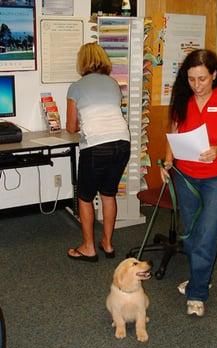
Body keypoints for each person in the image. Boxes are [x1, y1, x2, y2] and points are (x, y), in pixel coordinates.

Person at [160, 49, 217, 316]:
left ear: (213, 75)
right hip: (185, 174)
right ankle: (200, 274)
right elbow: (174, 134)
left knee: (208, 232)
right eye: (191, 79)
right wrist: (167, 162)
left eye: (202, 79)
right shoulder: (183, 99)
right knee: (190, 234)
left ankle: (198, 291)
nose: (197, 86)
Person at [66, 42, 130, 262]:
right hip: (122, 143)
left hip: (96, 147)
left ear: (81, 62)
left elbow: (71, 127)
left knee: (84, 197)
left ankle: (88, 247)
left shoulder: (76, 86)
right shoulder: (113, 83)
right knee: (108, 193)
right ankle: (108, 244)